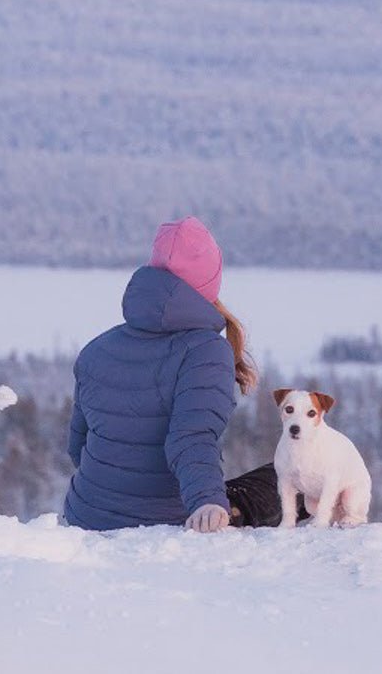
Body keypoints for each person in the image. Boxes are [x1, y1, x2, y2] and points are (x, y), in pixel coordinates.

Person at [63, 216, 283, 532]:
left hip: (85, 513)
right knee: (293, 475)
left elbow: (77, 446)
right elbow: (190, 438)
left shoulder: (97, 348)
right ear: (209, 283)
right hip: (167, 518)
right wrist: (207, 501)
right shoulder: (206, 351)